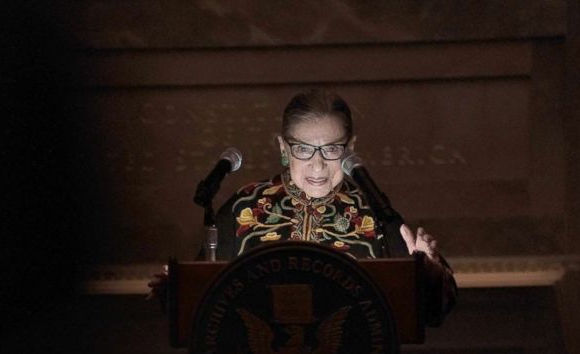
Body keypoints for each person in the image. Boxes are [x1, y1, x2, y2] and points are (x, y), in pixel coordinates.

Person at [150, 88, 455, 325]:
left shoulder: (373, 210)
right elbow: (200, 300)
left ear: (351, 148)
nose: (318, 164)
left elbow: (435, 310)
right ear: (284, 149)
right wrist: (175, 288)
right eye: (304, 149)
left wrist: (428, 273)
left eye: (332, 149)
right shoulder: (246, 206)